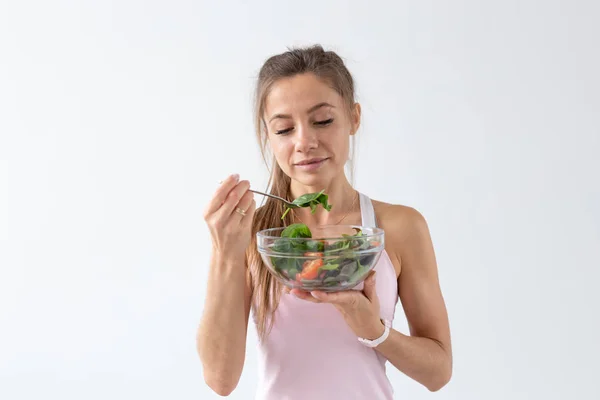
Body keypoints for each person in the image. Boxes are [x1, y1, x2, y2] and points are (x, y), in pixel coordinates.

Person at [196, 45, 452, 399]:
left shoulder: (398, 226)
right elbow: (219, 379)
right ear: (268, 136)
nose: (304, 142)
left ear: (354, 117)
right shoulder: (251, 234)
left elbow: (438, 372)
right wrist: (225, 252)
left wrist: (373, 329)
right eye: (284, 129)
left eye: (323, 121)